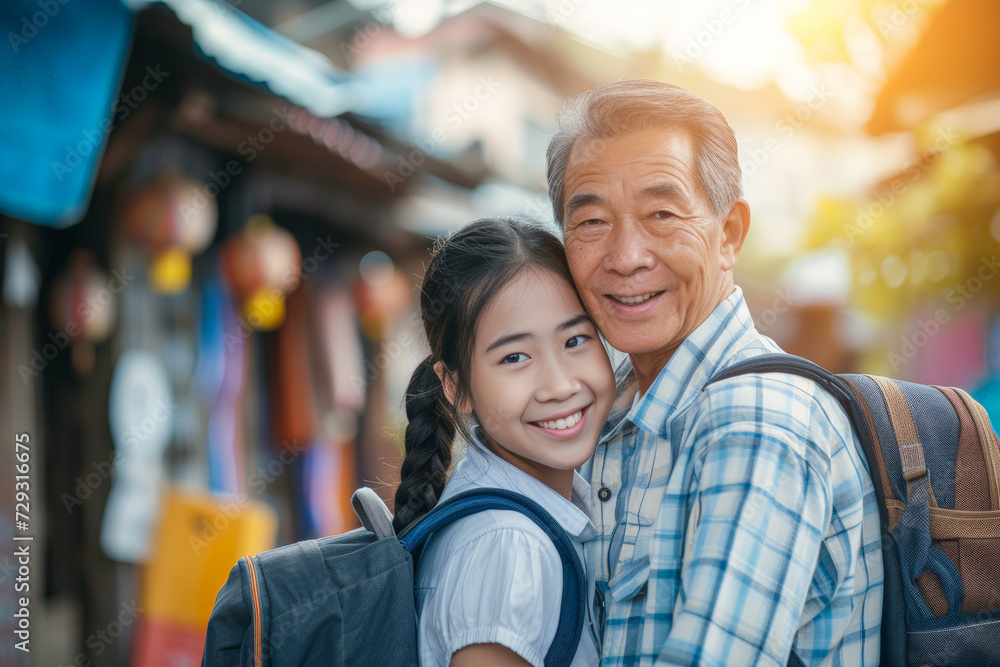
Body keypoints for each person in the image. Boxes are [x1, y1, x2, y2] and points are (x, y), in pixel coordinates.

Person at [545, 79, 884, 666]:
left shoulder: (754, 423)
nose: (626, 257)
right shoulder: (612, 403)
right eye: (593, 222)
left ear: (728, 234)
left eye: (661, 214)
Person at [392, 217, 617, 666]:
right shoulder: (510, 544)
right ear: (455, 386)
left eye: (575, 339)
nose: (558, 385)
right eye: (515, 357)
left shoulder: (515, 513)